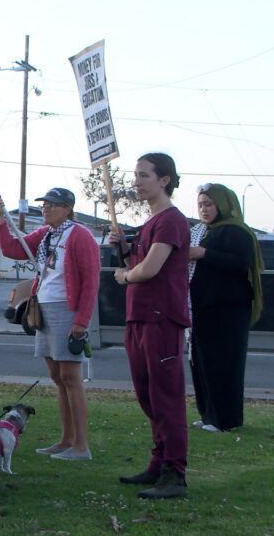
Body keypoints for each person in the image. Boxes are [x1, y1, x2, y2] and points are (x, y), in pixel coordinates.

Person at [0, 187, 99, 461]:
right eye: (44, 204)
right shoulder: (46, 235)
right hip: (45, 308)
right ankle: (66, 440)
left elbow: (91, 280)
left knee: (71, 378)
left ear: (67, 208)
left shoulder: (80, 234)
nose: (46, 209)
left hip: (67, 308)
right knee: (57, 377)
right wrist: (2, 220)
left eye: (53, 205)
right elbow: (13, 248)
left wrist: (81, 320)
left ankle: (81, 445)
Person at [108, 152, 190, 499]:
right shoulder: (149, 223)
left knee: (165, 397)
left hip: (161, 320)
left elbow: (149, 270)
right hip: (138, 318)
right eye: (135, 175)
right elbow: (137, 262)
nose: (136, 181)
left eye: (144, 175)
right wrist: (124, 249)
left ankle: (175, 473)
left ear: (165, 180)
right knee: (147, 397)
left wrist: (125, 275)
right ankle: (159, 462)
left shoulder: (171, 220)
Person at [188, 183, 263, 433]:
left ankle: (224, 419)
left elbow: (240, 264)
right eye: (200, 205)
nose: (204, 210)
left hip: (228, 309)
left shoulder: (236, 231)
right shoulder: (203, 231)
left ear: (223, 203)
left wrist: (204, 254)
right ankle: (208, 413)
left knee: (224, 365)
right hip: (203, 307)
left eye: (208, 204)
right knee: (202, 363)